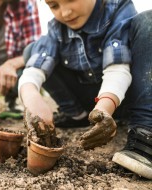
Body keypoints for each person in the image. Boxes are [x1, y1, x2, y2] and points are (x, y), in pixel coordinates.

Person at [19, 0, 152, 179]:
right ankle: (77, 116)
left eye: (70, 0)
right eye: (54, 5)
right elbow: (33, 71)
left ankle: (145, 132)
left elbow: (117, 69)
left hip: (125, 95)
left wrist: (105, 107)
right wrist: (32, 98)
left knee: (148, 21)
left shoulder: (117, 9)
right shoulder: (56, 28)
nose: (65, 13)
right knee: (32, 51)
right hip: (91, 103)